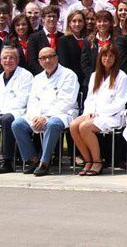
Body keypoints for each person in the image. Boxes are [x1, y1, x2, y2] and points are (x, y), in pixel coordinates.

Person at [11, 47, 79, 176]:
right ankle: (33, 159)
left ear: (57, 57)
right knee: (17, 124)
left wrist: (46, 117)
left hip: (63, 113)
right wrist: (36, 116)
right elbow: (33, 101)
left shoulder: (69, 75)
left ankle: (45, 163)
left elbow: (66, 102)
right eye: (43, 58)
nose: (47, 60)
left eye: (51, 56)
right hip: (39, 115)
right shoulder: (37, 78)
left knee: (53, 123)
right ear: (39, 61)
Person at [69, 45, 127, 176]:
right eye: (104, 55)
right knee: (73, 125)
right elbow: (90, 98)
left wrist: (98, 114)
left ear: (116, 58)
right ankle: (88, 160)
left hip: (112, 115)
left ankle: (97, 162)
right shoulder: (94, 75)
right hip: (93, 114)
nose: (107, 58)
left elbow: (120, 102)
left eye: (111, 56)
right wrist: (89, 112)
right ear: (100, 57)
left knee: (85, 127)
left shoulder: (121, 76)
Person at [0, 47, 32, 173]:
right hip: (3, 112)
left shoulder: (25, 76)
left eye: (11, 57)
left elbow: (22, 100)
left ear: (17, 60)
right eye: (5, 58)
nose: (8, 61)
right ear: (1, 61)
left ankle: (7, 161)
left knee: (7, 119)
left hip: (19, 112)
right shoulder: (0, 77)